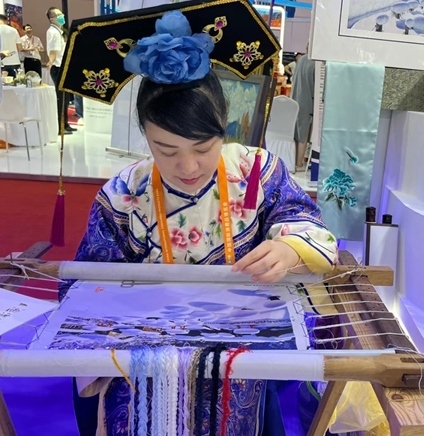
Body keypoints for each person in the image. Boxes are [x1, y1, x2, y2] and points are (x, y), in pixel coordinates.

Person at [56, 4, 337, 435]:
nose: (187, 166)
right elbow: (84, 286)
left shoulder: (257, 172)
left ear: (224, 127)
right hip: (146, 357)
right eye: (165, 151)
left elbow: (300, 217)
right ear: (145, 135)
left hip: (237, 353)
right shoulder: (124, 193)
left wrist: (288, 248)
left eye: (203, 147)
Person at [46, 7, 76, 134]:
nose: (62, 16)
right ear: (52, 19)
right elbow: (53, 51)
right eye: (58, 15)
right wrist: (50, 62)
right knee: (61, 98)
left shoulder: (59, 31)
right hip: (57, 67)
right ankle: (60, 127)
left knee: (66, 98)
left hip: (62, 66)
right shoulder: (53, 32)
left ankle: (65, 124)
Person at [290, 44, 316, 172]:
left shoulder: (302, 60)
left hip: (296, 99)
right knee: (303, 134)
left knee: (297, 132)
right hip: (308, 101)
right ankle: (299, 163)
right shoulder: (316, 63)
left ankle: (294, 161)